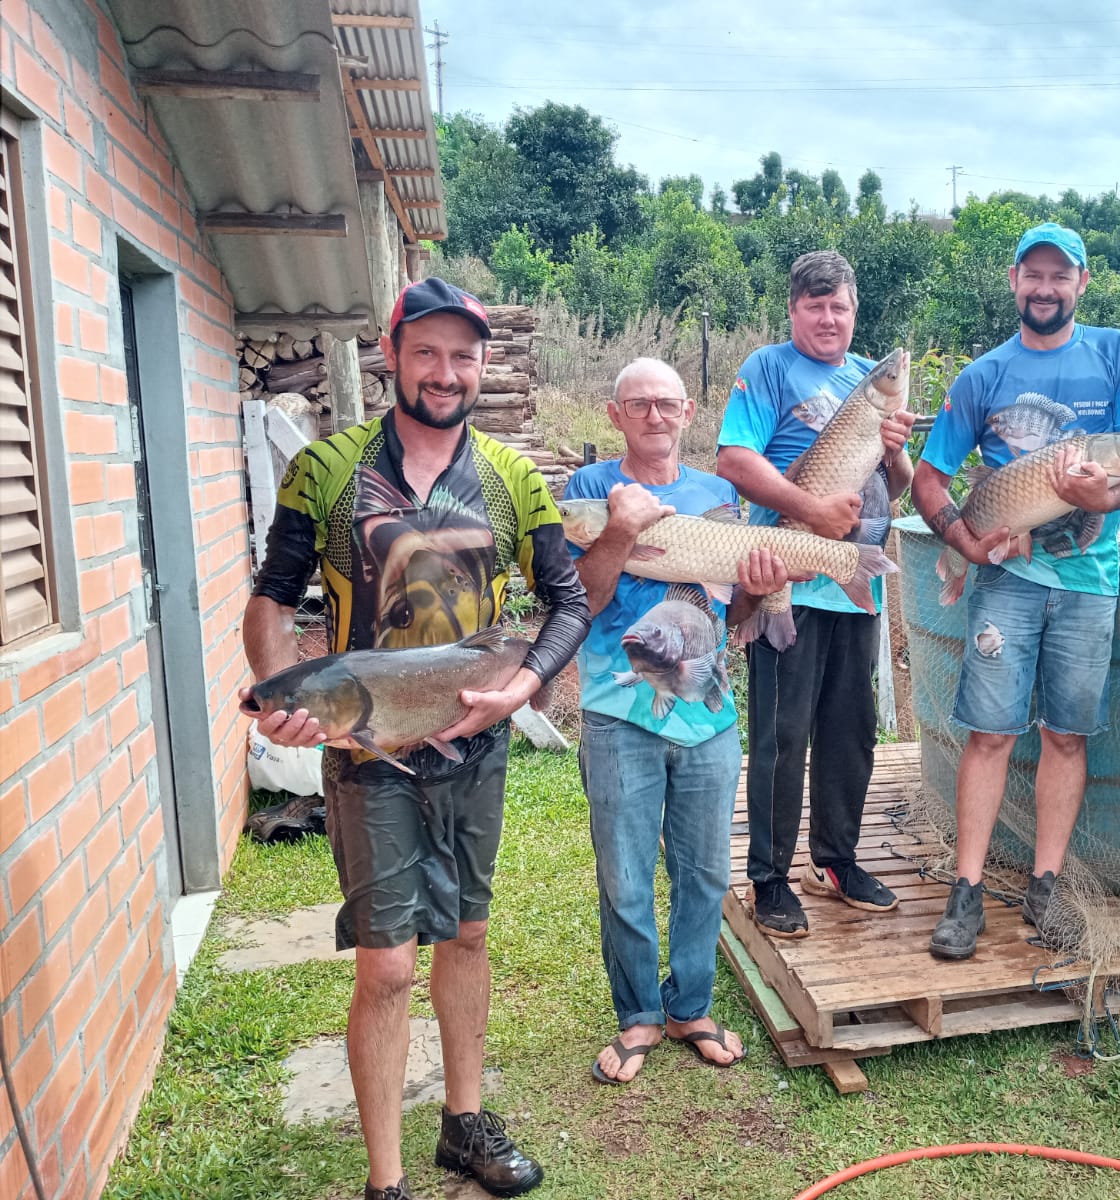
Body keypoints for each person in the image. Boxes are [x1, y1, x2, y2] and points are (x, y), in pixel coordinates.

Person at [242, 278, 590, 1200]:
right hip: (369, 757)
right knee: (389, 965)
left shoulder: (513, 479)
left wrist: (522, 688)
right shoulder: (326, 469)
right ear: (391, 355)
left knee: (467, 936)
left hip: (475, 749)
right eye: (426, 352)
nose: (445, 372)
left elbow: (568, 603)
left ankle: (463, 1126)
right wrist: (278, 694)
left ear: (483, 365)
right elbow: (273, 596)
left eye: (462, 356)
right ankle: (386, 1180)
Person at [911, 223, 1120, 961]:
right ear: (1015, 281)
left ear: (1082, 282)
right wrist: (965, 544)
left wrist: (1106, 497)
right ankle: (965, 891)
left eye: (1061, 275)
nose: (1046, 288)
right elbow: (930, 479)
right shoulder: (982, 375)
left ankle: (1046, 886)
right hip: (1006, 580)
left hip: (1090, 582)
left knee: (1065, 734)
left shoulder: (1118, 354)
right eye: (1034, 274)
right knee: (989, 733)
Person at [565, 358, 793, 1084]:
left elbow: (734, 611)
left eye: (666, 404)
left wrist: (759, 590)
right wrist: (620, 532)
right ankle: (638, 1014)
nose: (654, 416)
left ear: (689, 411)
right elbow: (580, 601)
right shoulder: (590, 491)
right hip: (617, 716)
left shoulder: (717, 495)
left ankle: (690, 1006)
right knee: (626, 876)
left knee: (706, 874)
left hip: (706, 716)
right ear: (615, 415)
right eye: (638, 405)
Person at [715, 250, 917, 938]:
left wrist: (896, 449)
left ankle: (835, 861)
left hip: (854, 581)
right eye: (815, 305)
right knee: (782, 734)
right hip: (786, 578)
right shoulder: (767, 367)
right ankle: (769, 877)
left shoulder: (868, 379)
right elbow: (734, 460)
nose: (828, 318)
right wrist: (812, 509)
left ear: (854, 312)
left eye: (840, 307)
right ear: (793, 310)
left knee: (851, 731)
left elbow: (896, 486)